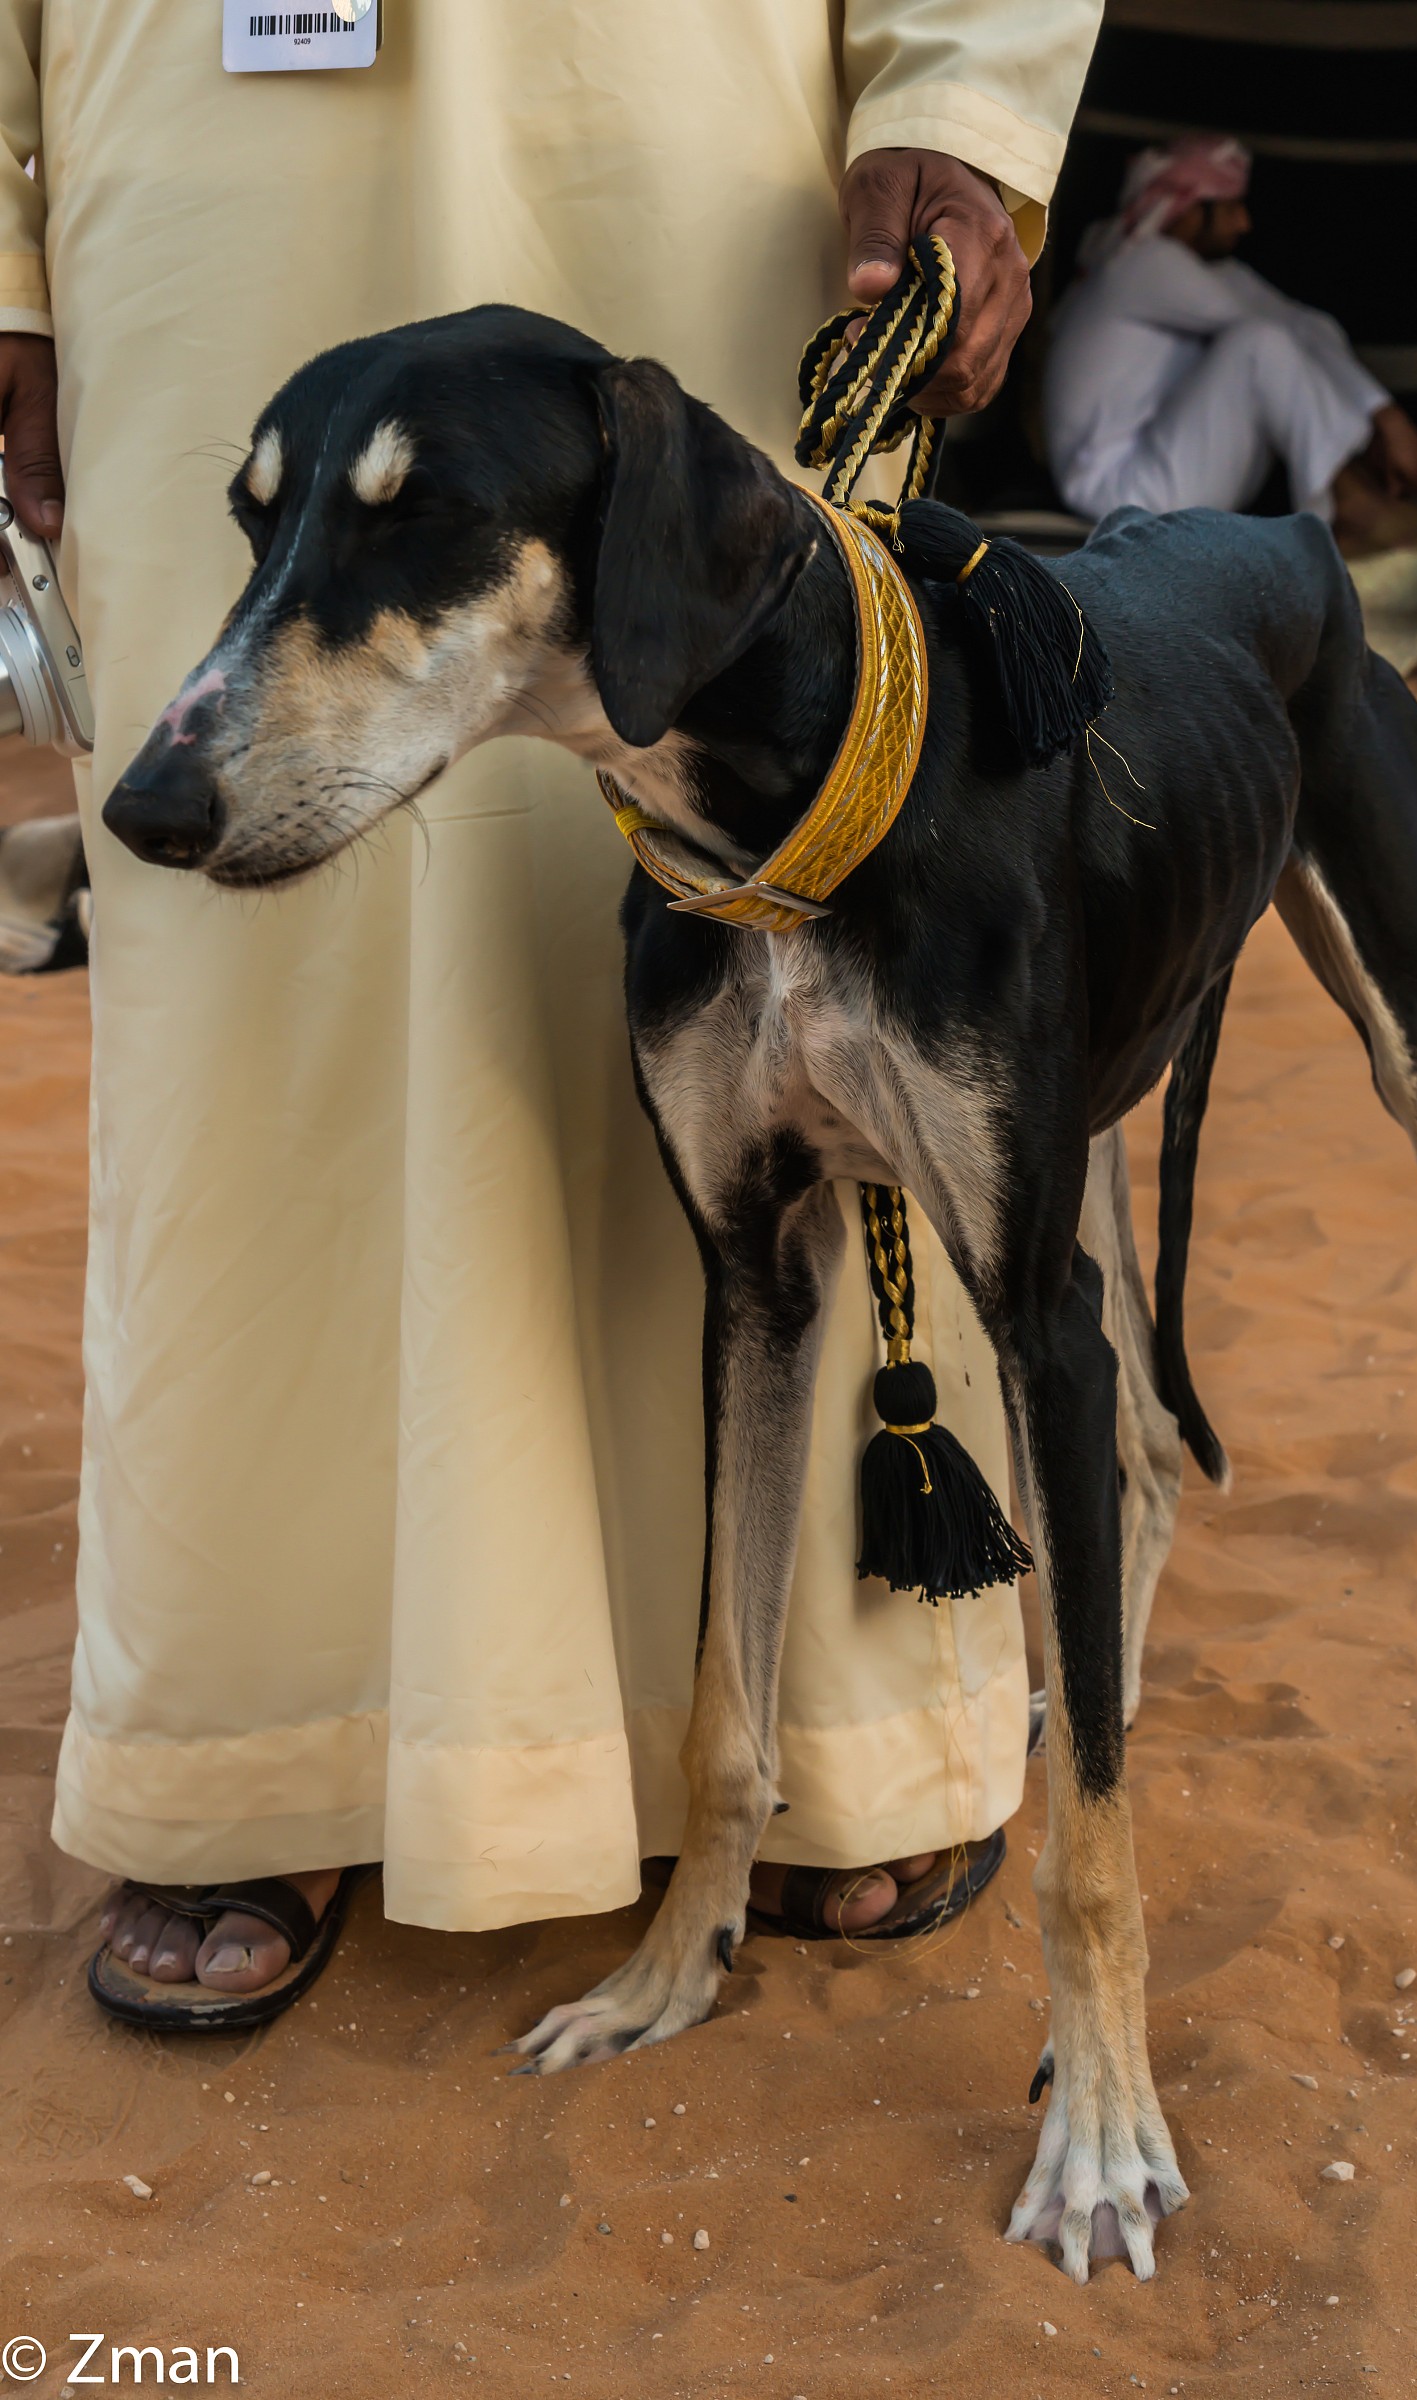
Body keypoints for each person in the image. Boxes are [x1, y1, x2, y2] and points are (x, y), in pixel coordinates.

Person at [0, 3, 1104, 2024]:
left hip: (669, 106)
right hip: (190, 128)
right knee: (247, 990)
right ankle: (262, 1726)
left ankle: (827, 1742)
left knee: (785, 827)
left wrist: (957, 92)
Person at [1043, 133, 1417, 546]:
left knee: (1270, 339)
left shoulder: (1209, 274)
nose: (1243, 223)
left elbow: (1309, 325)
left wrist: (1372, 425)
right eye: (1230, 206)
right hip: (1118, 492)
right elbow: (1278, 333)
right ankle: (1350, 510)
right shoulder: (1142, 262)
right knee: (1259, 346)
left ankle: (1355, 495)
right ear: (1190, 211)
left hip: (1156, 474)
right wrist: (1387, 418)